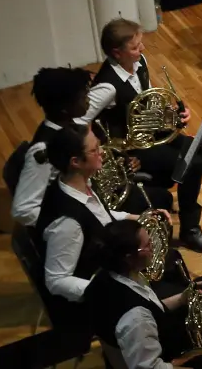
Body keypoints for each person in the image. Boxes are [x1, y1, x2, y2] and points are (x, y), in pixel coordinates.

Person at [82, 18, 202, 254]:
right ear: (117, 53)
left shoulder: (139, 63)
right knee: (193, 165)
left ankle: (163, 193)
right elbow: (80, 119)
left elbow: (148, 101)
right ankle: (190, 230)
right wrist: (98, 149)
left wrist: (173, 114)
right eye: (135, 47)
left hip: (152, 135)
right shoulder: (107, 86)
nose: (142, 49)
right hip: (133, 149)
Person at [86, 219, 202, 369]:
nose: (153, 247)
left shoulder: (108, 275)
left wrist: (182, 298)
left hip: (162, 340)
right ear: (129, 257)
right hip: (170, 356)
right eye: (147, 245)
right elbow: (149, 366)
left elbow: (151, 307)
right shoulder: (135, 318)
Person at [13, 68, 162, 228]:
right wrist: (72, 221)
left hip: (94, 198)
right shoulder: (42, 150)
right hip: (80, 218)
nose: (88, 100)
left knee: (161, 198)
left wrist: (121, 166)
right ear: (65, 108)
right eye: (83, 97)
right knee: (157, 204)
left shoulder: (73, 126)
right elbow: (23, 210)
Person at [36, 126, 135, 330]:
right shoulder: (67, 223)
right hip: (97, 301)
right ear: (76, 162)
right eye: (94, 149)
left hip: (111, 268)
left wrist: (136, 218)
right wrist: (113, 289)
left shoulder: (80, 183)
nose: (102, 152)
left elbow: (99, 216)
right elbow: (56, 280)